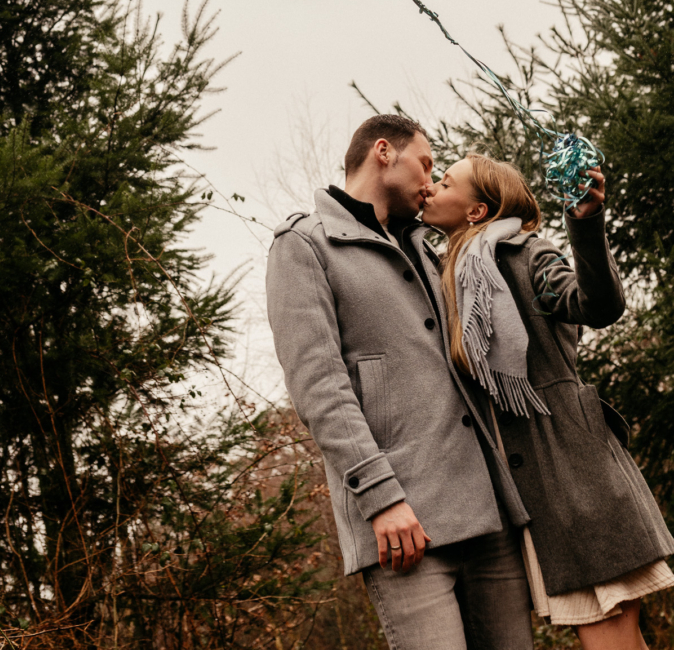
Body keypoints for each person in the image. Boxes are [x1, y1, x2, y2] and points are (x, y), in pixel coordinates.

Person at [266, 115, 537, 650]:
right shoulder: (302, 246)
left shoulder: (427, 246)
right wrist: (382, 498)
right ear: (384, 152)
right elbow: (320, 389)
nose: (430, 180)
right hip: (405, 528)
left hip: (488, 517)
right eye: (426, 163)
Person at [421, 152, 674, 649]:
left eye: (445, 182)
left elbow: (596, 304)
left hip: (575, 481)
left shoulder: (528, 256)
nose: (431, 187)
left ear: (476, 212)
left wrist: (586, 222)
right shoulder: (453, 275)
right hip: (535, 493)